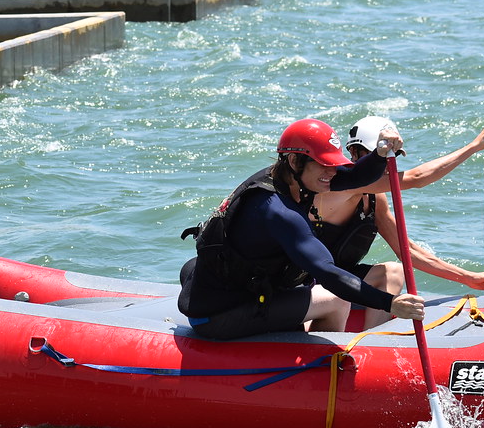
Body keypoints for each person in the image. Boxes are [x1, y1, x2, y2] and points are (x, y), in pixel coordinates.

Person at [177, 118, 424, 340]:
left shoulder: (288, 178)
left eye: (334, 164)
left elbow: (357, 176)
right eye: (325, 165)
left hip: (226, 292)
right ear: (295, 160)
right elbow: (327, 273)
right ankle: (319, 371)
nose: (333, 173)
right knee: (337, 300)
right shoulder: (278, 210)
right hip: (221, 317)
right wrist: (389, 303)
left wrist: (380, 154)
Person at [312, 116, 484, 328]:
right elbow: (417, 178)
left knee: (393, 272)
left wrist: (468, 278)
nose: (386, 165)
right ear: (355, 154)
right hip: (309, 282)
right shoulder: (335, 187)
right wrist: (474, 146)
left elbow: (408, 251)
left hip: (342, 279)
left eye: (392, 157)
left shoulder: (377, 199)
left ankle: (372, 342)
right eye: (382, 156)